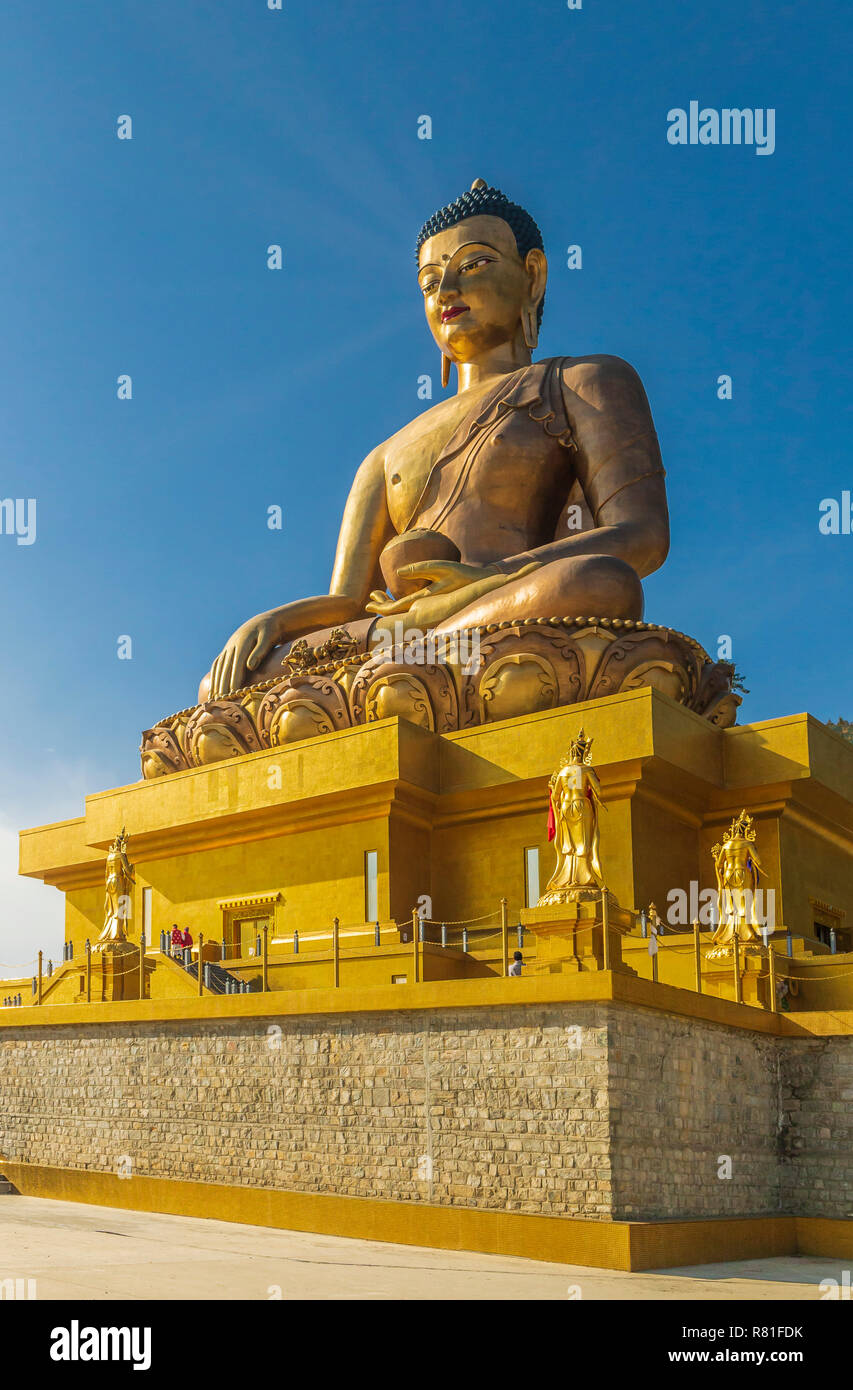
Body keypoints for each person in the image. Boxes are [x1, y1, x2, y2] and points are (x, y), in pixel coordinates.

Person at [199, 179, 668, 701]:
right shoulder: (385, 454)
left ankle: (403, 669)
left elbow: (641, 536)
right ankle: (409, 663)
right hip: (407, 631)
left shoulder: (584, 380)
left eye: (474, 265)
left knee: (600, 583)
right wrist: (273, 622)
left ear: (533, 276)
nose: (447, 291)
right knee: (239, 677)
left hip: (507, 607)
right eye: (429, 281)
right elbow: (348, 601)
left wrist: (480, 581)